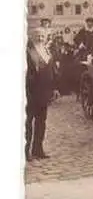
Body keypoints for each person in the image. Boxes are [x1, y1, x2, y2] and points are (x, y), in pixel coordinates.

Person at [26, 27, 60, 161]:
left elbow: (53, 72)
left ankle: (38, 149)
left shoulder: (47, 51)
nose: (40, 38)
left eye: (42, 36)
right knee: (28, 123)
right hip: (31, 93)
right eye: (37, 36)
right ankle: (25, 151)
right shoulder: (28, 52)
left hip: (44, 93)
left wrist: (56, 88)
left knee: (41, 122)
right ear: (32, 37)